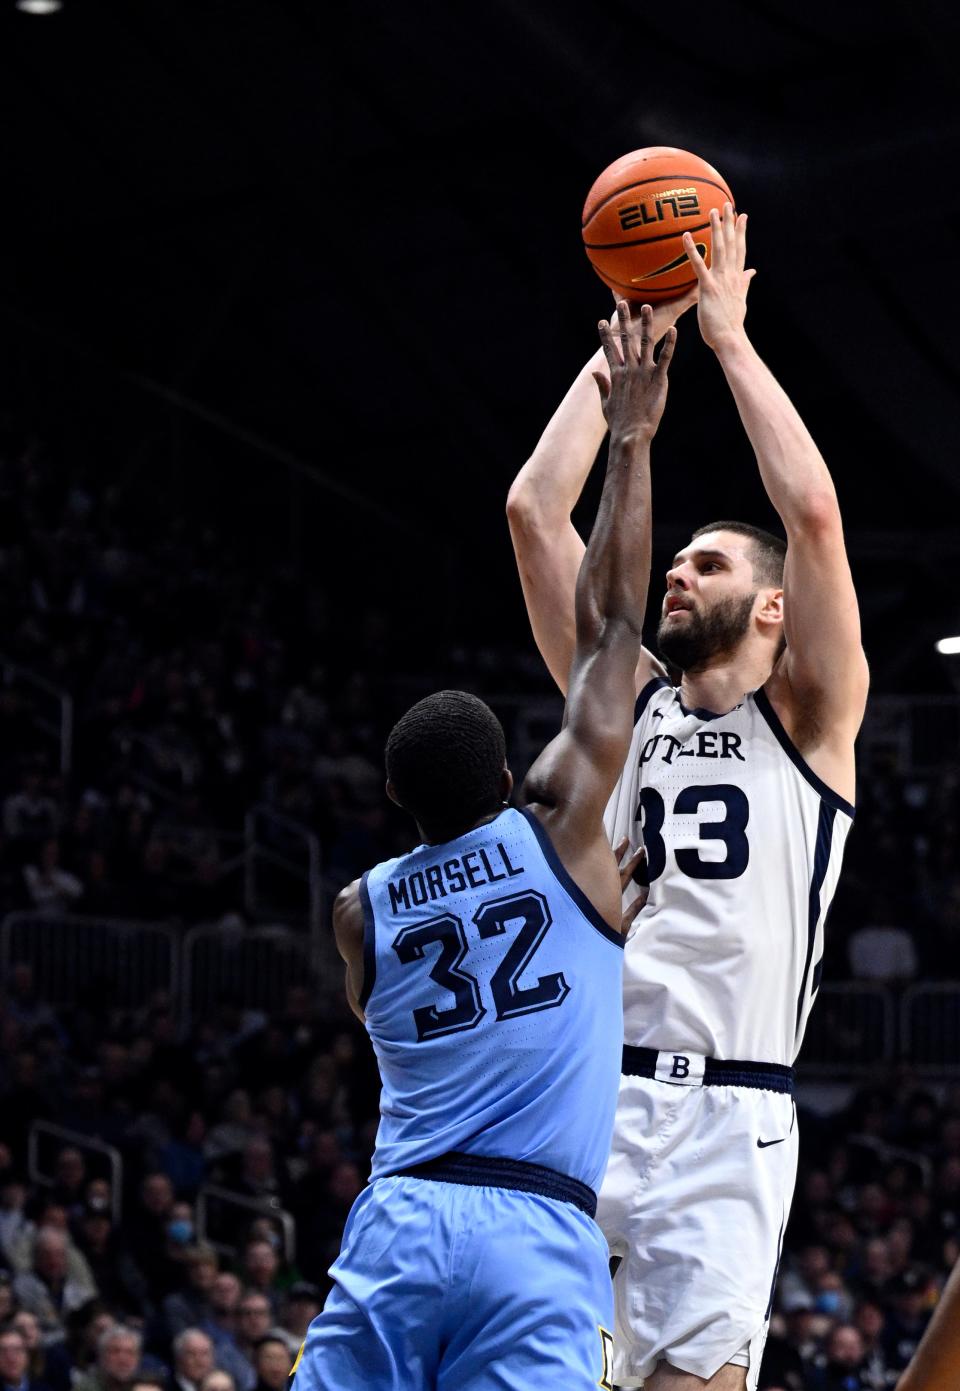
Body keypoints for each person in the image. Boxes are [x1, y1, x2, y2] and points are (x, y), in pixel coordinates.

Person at [507, 203, 869, 1390]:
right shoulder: (621, 703)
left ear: (772, 608)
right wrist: (633, 327)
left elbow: (811, 514)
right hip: (588, 1094)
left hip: (731, 1124)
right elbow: (532, 509)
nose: (677, 567)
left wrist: (727, 338)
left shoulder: (812, 720)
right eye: (678, 557)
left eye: (708, 561)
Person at [295, 303, 677, 1389]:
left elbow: (384, 1007)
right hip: (533, 1227)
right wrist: (635, 434)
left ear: (392, 797)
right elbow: (610, 626)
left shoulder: (358, 909)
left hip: (401, 1218)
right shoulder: (560, 823)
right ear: (513, 779)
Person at [895, 1256, 960, 1389]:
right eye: (907, 1295)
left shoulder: (929, 1319)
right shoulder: (889, 1325)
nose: (911, 1301)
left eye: (916, 1295)